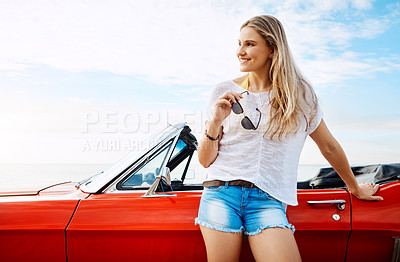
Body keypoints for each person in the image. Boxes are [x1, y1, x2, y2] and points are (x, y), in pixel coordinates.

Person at [195, 15, 383, 262]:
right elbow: (206, 160)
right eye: (239, 44)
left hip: (268, 200)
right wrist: (216, 121)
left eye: (250, 44)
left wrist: (355, 187)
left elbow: (328, 146)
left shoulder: (300, 94)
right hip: (221, 193)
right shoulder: (222, 90)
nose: (240, 51)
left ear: (272, 49)